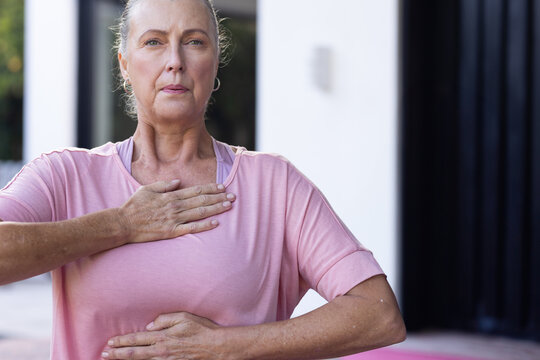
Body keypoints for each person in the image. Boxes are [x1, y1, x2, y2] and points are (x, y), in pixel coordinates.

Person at [0, 0, 406, 358]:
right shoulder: (65, 175)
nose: (174, 59)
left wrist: (225, 347)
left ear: (214, 65)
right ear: (125, 64)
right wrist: (119, 225)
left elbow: (378, 314)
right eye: (154, 41)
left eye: (194, 41)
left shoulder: (275, 186)